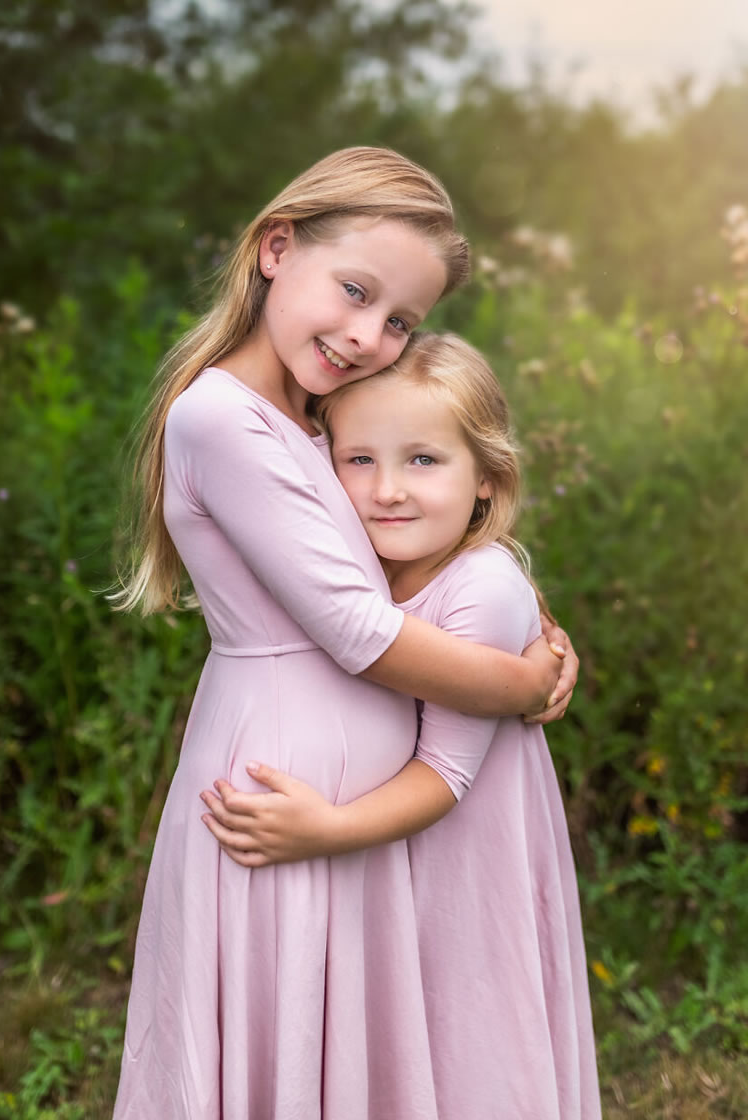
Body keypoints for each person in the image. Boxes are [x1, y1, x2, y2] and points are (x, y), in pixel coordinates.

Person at [112, 148, 577, 1120]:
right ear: (276, 247)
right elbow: (358, 627)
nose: (367, 335)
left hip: (355, 803)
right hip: (286, 773)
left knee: (350, 1059)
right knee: (276, 1035)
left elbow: (403, 552)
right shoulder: (218, 418)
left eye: (398, 318)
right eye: (354, 291)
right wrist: (516, 682)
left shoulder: (318, 408)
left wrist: (524, 618)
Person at [202, 332, 601, 1119]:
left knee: (469, 1045)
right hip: (399, 862)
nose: (388, 489)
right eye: (359, 460)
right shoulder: (357, 569)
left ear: (487, 480)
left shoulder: (480, 587)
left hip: (462, 861)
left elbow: (448, 775)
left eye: (424, 460)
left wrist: (327, 828)